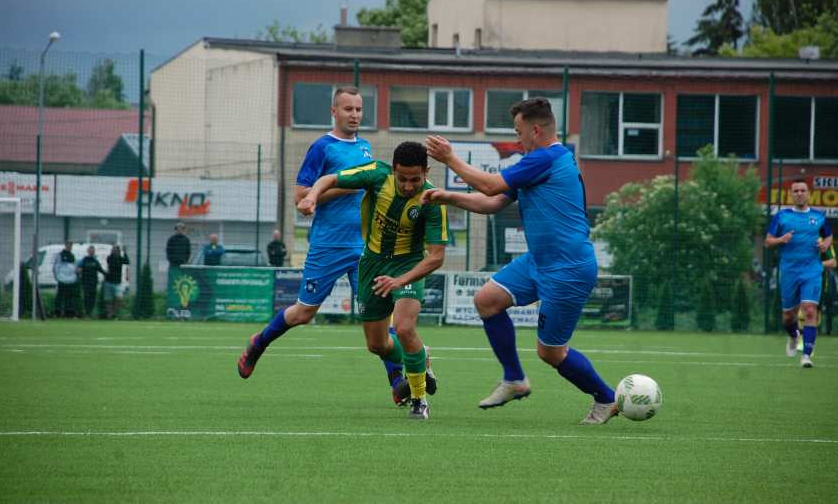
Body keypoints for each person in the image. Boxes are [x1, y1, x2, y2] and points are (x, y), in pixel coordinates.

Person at [423, 97, 618, 424]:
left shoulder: (547, 157)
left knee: (551, 353)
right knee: (487, 300)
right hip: (539, 261)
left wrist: (450, 158)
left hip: (568, 268)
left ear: (536, 130)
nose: (517, 139)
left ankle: (606, 397)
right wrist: (448, 196)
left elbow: (489, 184)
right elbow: (493, 201)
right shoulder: (538, 162)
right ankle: (514, 379)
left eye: (519, 132)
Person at [237, 86, 416, 406]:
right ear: (334, 112)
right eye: (348, 109)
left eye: (359, 109)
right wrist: (339, 188)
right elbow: (300, 196)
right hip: (327, 245)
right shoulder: (321, 148)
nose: (355, 115)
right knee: (303, 313)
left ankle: (397, 380)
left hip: (364, 246)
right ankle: (259, 343)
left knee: (379, 314)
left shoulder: (365, 147)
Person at [296, 141, 448, 419]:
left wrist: (401, 280)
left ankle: (418, 399)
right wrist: (312, 197)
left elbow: (436, 256)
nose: (408, 185)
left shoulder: (432, 200)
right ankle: (419, 355)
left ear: (426, 172)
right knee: (377, 345)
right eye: (402, 179)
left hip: (409, 264)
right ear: (393, 171)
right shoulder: (377, 175)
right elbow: (331, 178)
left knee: (403, 328)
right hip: (372, 265)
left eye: (416, 179)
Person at [765, 179, 832, 368]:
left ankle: (807, 356)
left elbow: (828, 236)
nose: (800, 193)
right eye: (796, 191)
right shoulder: (782, 216)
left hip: (812, 270)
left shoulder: (819, 217)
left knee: (809, 309)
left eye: (803, 190)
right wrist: (781, 239)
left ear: (808, 193)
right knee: (788, 316)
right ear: (791, 194)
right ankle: (794, 336)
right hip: (789, 271)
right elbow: (768, 242)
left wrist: (825, 245)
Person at [76, 245, 106, 318]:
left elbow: (100, 269)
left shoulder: (95, 261)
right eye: (90, 250)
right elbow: (78, 269)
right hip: (85, 282)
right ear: (88, 251)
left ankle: (90, 312)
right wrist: (79, 271)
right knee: (86, 297)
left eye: (93, 250)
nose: (92, 252)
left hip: (93, 283)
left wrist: (107, 274)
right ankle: (86, 312)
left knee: (93, 298)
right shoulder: (84, 260)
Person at [102, 244, 129, 319]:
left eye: (117, 250)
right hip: (109, 281)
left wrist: (125, 252)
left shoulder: (120, 258)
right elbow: (110, 262)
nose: (115, 251)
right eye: (114, 250)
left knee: (119, 298)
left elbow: (127, 262)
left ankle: (113, 313)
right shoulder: (110, 258)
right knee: (108, 300)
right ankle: (110, 314)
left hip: (117, 282)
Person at [53, 240, 78, 318]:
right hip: (62, 280)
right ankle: (57, 313)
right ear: (66, 245)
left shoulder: (72, 255)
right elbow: (56, 267)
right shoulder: (60, 255)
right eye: (69, 245)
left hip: (70, 280)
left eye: (71, 245)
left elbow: (74, 267)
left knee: (69, 298)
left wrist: (74, 277)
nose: (70, 246)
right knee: (60, 297)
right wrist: (58, 277)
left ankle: (68, 314)